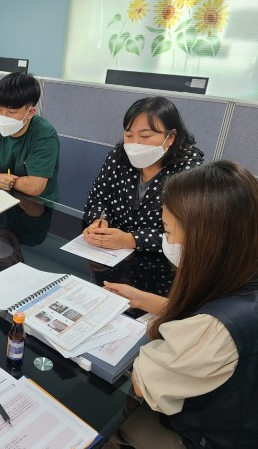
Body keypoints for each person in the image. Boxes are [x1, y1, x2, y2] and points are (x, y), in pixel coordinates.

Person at [104, 160, 258, 448]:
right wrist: (142, 298)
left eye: (168, 231)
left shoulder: (216, 331)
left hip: (207, 438)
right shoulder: (244, 271)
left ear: (204, 240)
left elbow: (145, 383)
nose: (167, 241)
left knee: (104, 427)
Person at [83, 96, 203, 252]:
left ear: (171, 137)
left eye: (145, 136)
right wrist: (99, 223)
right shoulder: (117, 159)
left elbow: (186, 235)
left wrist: (131, 240)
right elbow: (97, 199)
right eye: (129, 135)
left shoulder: (190, 174)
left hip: (161, 264)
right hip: (110, 253)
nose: (135, 143)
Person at [0, 72, 60, 202]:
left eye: (12, 112)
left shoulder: (44, 135)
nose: (3, 116)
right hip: (0, 198)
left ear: (30, 112)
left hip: (35, 205)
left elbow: (35, 187)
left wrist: (5, 181)